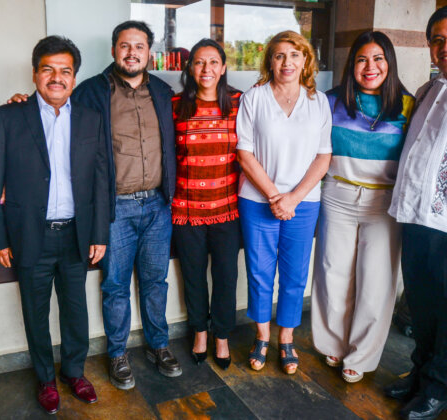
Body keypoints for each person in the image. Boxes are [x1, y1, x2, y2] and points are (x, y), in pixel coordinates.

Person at [0, 36, 109, 415]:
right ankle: (44, 378)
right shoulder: (7, 116)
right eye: (48, 69)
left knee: (76, 310)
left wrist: (100, 234)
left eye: (65, 71)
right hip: (28, 236)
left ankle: (74, 371)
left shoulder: (91, 118)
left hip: (75, 234)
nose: (57, 78)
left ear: (74, 78)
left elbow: (103, 178)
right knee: (35, 312)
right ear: (36, 73)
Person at [73, 20, 181, 389]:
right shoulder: (91, 92)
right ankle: (117, 353)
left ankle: (158, 345)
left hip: (157, 207)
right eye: (124, 45)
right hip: (115, 210)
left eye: (139, 46)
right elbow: (53, 116)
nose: (132, 52)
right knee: (115, 285)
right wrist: (21, 101)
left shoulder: (165, 92)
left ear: (150, 52)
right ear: (114, 49)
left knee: (155, 282)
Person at [310, 31, 414, 384]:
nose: (370, 67)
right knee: (331, 273)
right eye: (362, 60)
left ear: (390, 63)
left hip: (383, 202)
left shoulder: (407, 105)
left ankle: (362, 354)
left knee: (377, 280)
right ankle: (333, 344)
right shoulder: (329, 102)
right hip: (336, 195)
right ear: (351, 65)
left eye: (378, 59)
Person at [236, 30, 331, 375]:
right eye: (279, 56)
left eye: (294, 55)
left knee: (294, 275)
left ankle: (286, 338)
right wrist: (276, 196)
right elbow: (244, 153)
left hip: (304, 202)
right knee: (260, 274)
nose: (287, 62)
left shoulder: (318, 102)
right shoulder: (254, 97)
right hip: (257, 200)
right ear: (269, 61)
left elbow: (324, 157)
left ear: (305, 60)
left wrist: (293, 197)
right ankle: (261, 337)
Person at [384, 7, 447, 419]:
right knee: (423, 304)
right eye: (438, 39)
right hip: (415, 216)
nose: (445, 47)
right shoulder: (427, 90)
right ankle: (422, 371)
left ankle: (439, 388)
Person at [171, 38, 241, 370]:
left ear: (223, 67)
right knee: (194, 276)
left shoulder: (240, 103)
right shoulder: (174, 105)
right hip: (186, 210)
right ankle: (200, 332)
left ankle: (222, 336)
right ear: (190, 68)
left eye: (213, 62)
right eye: (199, 62)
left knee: (226, 276)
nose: (206, 69)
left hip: (228, 209)